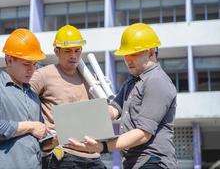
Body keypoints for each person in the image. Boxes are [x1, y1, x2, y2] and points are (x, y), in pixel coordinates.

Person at [67, 23, 177, 169]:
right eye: (126, 54)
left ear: (151, 52)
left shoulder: (157, 82)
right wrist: (75, 121)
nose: (127, 59)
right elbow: (113, 110)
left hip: (153, 161)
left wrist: (102, 147)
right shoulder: (132, 81)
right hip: (136, 162)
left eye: (134, 54)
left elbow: (143, 133)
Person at [30, 25, 112, 169]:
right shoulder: (43, 75)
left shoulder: (89, 78)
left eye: (77, 50)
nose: (73, 55)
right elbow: (20, 99)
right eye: (68, 51)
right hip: (63, 154)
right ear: (57, 51)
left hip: (92, 154)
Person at [0, 28, 48, 169]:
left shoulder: (32, 94)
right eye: (26, 64)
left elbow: (38, 132)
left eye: (34, 64)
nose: (31, 70)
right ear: (9, 60)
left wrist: (49, 137)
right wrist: (28, 126)